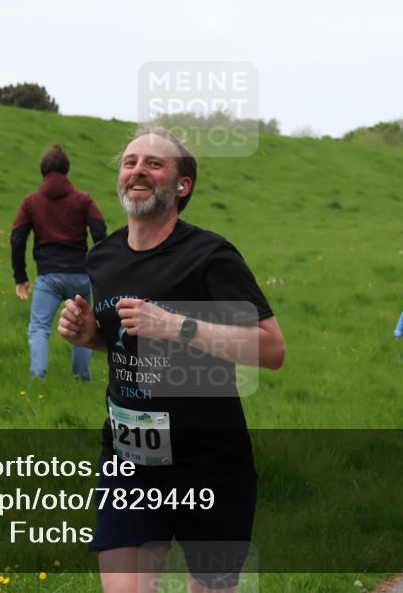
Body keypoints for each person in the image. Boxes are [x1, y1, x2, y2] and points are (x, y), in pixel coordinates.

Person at [57, 127, 285, 593]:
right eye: (130, 162)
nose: (137, 170)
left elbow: (271, 349)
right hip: (130, 459)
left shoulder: (209, 256)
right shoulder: (103, 257)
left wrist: (177, 325)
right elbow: (126, 341)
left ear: (183, 186)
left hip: (211, 463)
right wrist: (91, 337)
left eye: (154, 164)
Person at [11, 144, 106, 381]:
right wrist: (100, 268)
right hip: (81, 275)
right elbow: (100, 231)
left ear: (43, 171)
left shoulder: (31, 202)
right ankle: (82, 379)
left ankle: (37, 378)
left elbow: (17, 239)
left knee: (39, 329)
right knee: (81, 328)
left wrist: (20, 277)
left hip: (48, 276)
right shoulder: (84, 200)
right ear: (67, 170)